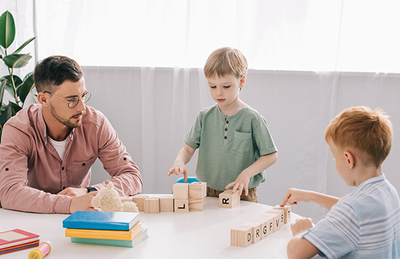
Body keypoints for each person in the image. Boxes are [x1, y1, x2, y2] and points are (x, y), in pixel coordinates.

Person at [0, 56, 143, 214]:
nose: (82, 108)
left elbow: (132, 176)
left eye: (83, 96)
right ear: (43, 99)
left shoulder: (96, 124)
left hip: (80, 219)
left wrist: (89, 191)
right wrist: (68, 204)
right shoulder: (19, 129)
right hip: (32, 218)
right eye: (72, 100)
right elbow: (9, 192)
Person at [281, 106, 400, 259]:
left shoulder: (352, 212)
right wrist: (309, 196)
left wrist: (302, 231)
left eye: (334, 156)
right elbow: (358, 213)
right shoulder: (388, 192)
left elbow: (295, 253)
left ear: (348, 159)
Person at [168, 47, 278, 202]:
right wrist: (179, 161)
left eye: (226, 86)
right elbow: (188, 148)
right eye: (212, 86)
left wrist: (246, 174)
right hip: (207, 189)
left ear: (241, 81)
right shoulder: (204, 116)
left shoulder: (253, 119)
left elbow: (271, 155)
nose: (218, 92)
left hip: (241, 191)